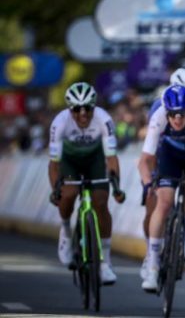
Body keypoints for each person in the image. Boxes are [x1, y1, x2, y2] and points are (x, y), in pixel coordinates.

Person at [49, 82, 124, 284]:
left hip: (95, 160)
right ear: (69, 109)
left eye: (88, 108)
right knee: (70, 194)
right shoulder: (60, 122)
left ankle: (105, 263)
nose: (83, 114)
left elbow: (111, 157)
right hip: (70, 163)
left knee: (101, 203)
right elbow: (54, 163)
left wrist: (116, 186)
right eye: (76, 109)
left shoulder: (103, 119)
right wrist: (56, 188)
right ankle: (65, 232)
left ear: (94, 107)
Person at [139, 85, 185, 291]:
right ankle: (152, 263)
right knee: (164, 201)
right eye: (172, 114)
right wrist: (147, 184)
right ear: (166, 112)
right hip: (170, 156)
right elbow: (145, 159)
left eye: (181, 114)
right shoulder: (159, 116)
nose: (176, 119)